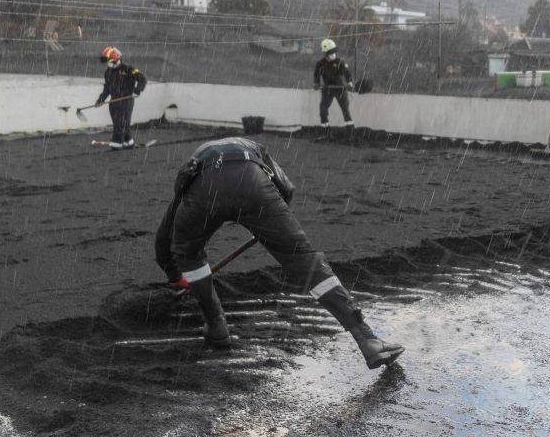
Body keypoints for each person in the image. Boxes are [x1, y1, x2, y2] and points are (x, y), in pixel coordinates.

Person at [154, 137, 404, 369]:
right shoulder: (255, 148)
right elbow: (287, 189)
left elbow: (165, 236)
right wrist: (272, 223)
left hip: (203, 191)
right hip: (252, 184)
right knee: (305, 260)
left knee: (188, 253)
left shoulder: (190, 171)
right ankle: (367, 339)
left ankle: (216, 325)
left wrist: (175, 277)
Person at [96, 46, 147, 150]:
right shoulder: (108, 72)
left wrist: (138, 90)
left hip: (126, 100)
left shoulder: (128, 69)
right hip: (114, 101)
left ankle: (116, 145)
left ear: (116, 59)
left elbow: (142, 79)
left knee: (121, 123)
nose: (108, 64)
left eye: (110, 61)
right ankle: (129, 143)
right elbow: (107, 88)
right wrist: (101, 99)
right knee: (119, 123)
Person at [313, 38, 355, 132]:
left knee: (345, 110)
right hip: (327, 90)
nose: (332, 55)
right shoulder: (320, 64)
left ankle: (350, 130)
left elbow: (348, 74)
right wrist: (316, 83)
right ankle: (325, 129)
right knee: (323, 110)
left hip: (340, 89)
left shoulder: (340, 62)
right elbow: (316, 75)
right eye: (330, 53)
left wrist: (349, 83)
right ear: (325, 53)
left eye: (333, 52)